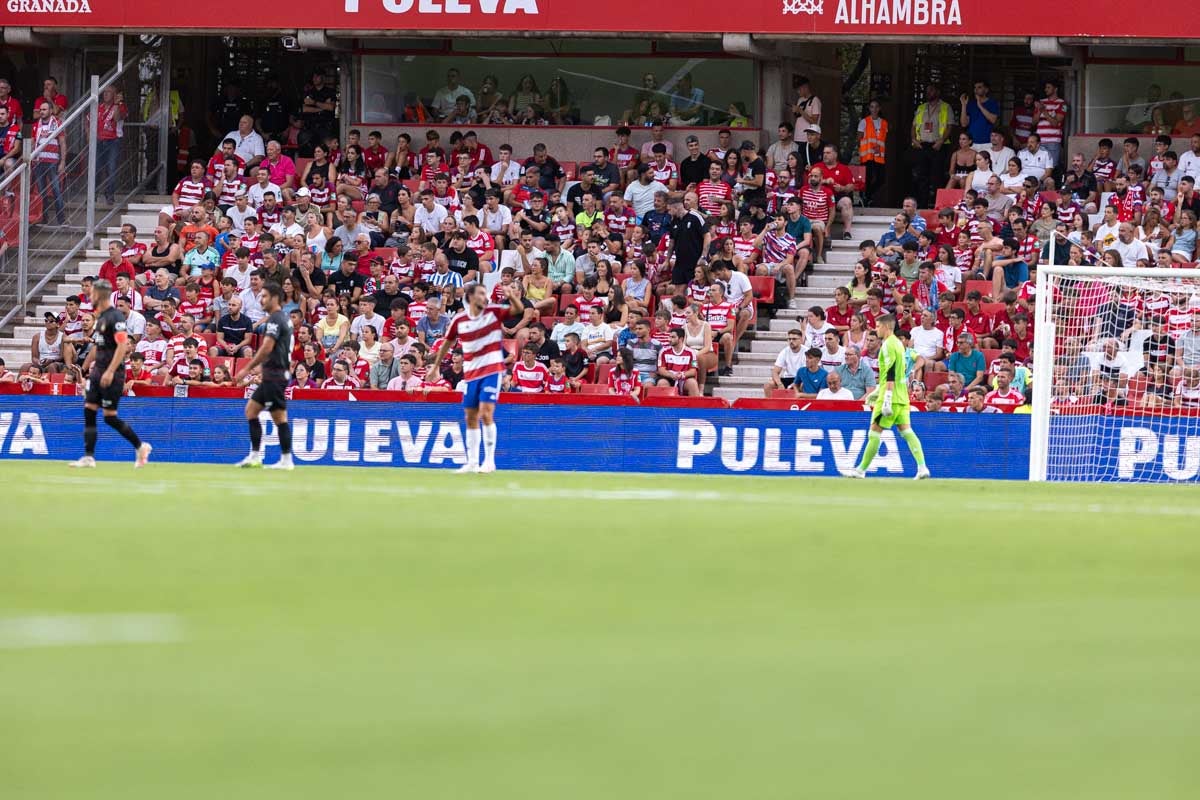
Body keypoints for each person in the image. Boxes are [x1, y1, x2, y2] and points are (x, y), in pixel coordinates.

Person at [431, 283, 525, 474]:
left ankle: (489, 461)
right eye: (481, 294)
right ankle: (472, 461)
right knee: (471, 417)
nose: (485, 297)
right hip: (471, 373)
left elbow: (519, 309)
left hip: (492, 371)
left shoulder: (493, 312)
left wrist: (511, 296)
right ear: (471, 297)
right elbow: (447, 343)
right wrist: (435, 366)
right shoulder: (459, 320)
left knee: (486, 412)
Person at [68, 280, 152, 469]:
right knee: (89, 409)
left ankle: (140, 446)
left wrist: (111, 371)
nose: (90, 296)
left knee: (109, 416)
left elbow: (122, 346)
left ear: (101, 295)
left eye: (93, 293)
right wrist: (86, 369)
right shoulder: (101, 317)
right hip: (98, 372)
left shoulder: (115, 317)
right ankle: (89, 457)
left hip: (113, 374)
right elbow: (98, 347)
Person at [841, 314, 931, 479]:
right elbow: (897, 373)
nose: (876, 329)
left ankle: (860, 470)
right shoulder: (898, 344)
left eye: (878, 326)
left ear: (886, 327)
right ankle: (922, 467)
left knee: (874, 432)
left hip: (891, 396)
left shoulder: (888, 345)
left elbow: (890, 372)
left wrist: (886, 397)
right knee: (907, 431)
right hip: (902, 396)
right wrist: (877, 391)